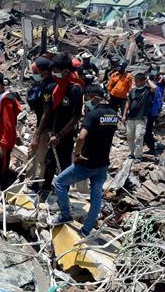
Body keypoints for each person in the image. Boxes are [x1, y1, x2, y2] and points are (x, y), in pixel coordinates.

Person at [50, 85, 119, 236]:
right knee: (96, 196)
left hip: (87, 162)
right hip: (103, 164)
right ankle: (86, 230)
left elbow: (81, 137)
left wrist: (76, 154)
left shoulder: (92, 115)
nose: (86, 102)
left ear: (94, 98)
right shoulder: (113, 114)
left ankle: (65, 215)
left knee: (59, 182)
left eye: (87, 99)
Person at [32, 54, 84, 197]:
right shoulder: (54, 88)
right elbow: (46, 112)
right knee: (49, 164)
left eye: (56, 70)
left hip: (65, 136)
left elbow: (76, 116)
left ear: (66, 71)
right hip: (52, 133)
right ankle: (45, 194)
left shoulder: (75, 89)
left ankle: (62, 198)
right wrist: (38, 135)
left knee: (64, 166)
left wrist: (60, 135)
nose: (54, 73)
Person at [25, 57, 52, 185]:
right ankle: (30, 182)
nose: (34, 75)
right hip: (41, 126)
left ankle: (39, 185)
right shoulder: (42, 84)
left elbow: (46, 114)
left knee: (41, 158)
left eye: (36, 73)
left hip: (45, 128)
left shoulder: (49, 87)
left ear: (45, 72)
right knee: (32, 153)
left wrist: (37, 134)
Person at [121, 71, 155, 160]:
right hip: (130, 117)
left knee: (139, 137)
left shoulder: (147, 90)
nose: (136, 82)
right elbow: (128, 103)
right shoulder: (133, 90)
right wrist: (124, 115)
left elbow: (154, 87)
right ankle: (132, 153)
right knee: (129, 136)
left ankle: (138, 155)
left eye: (138, 81)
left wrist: (147, 80)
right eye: (135, 81)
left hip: (141, 117)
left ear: (143, 81)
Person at [144, 67, 165, 155]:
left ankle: (152, 148)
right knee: (148, 130)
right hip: (155, 112)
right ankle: (150, 143)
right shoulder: (158, 87)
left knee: (147, 131)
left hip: (151, 113)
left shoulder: (154, 88)